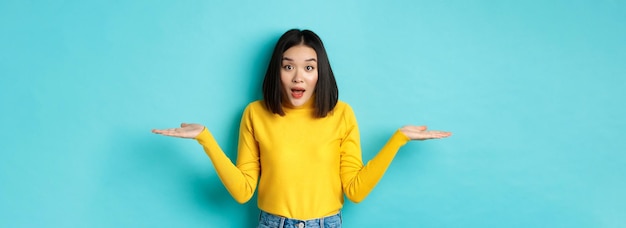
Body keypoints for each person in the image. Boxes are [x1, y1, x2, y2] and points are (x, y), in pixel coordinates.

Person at [152, 29, 451, 228]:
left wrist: (398, 140)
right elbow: (244, 191)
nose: (298, 77)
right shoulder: (255, 114)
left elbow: (356, 191)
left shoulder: (342, 114)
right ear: (277, 71)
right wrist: (205, 139)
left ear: (320, 73)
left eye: (309, 67)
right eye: (288, 66)